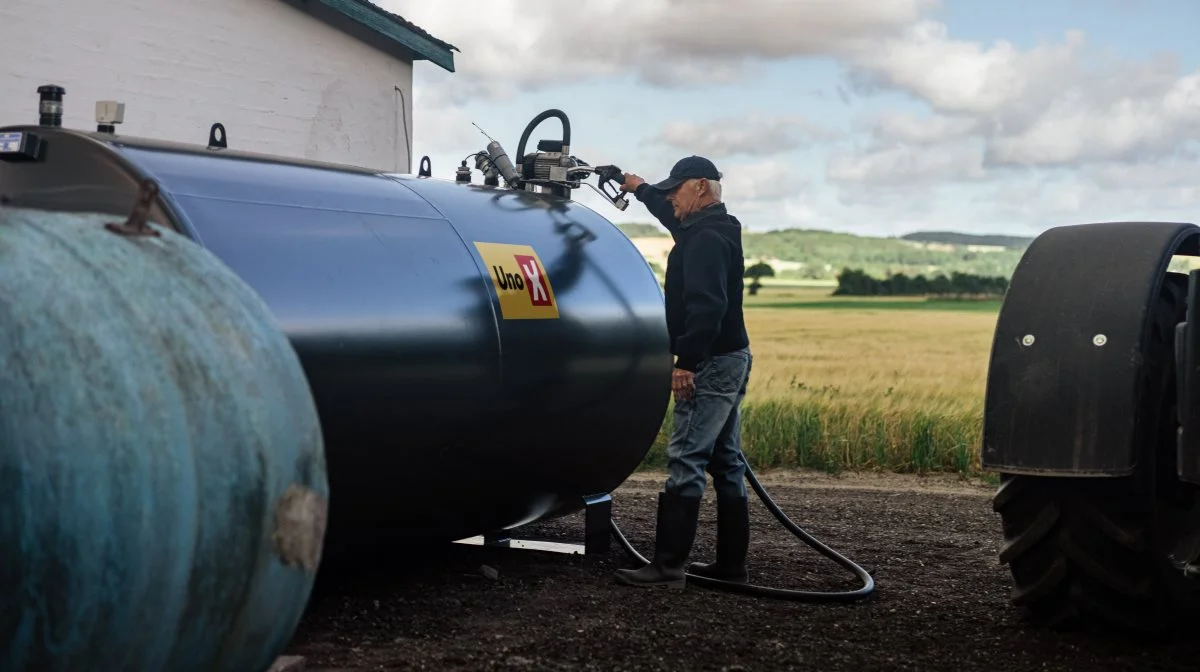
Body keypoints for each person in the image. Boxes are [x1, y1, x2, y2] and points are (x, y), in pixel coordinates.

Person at [612, 155, 753, 590]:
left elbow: (707, 308)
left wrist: (686, 363)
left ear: (700, 188)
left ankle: (668, 567)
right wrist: (635, 186)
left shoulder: (705, 240)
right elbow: (665, 208)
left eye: (677, 189)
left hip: (709, 362)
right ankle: (731, 566)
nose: (670, 196)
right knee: (726, 461)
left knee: (687, 457)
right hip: (730, 357)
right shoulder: (707, 227)